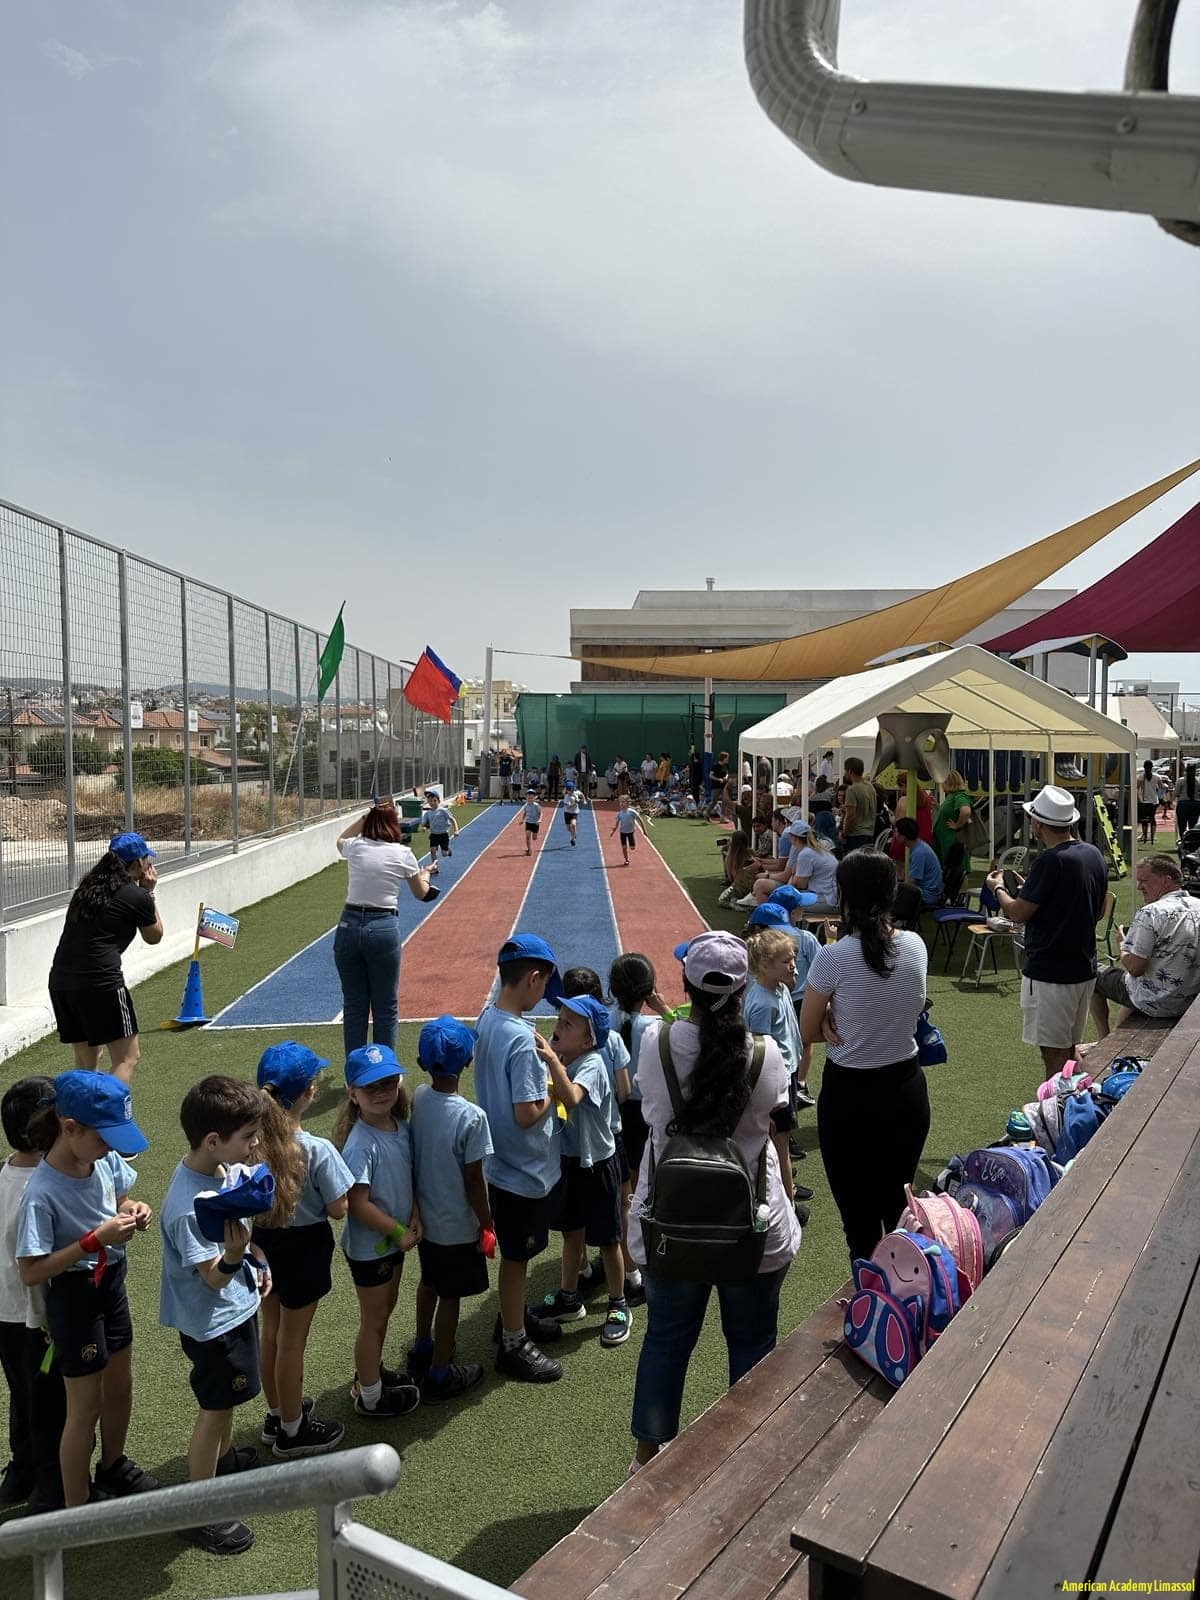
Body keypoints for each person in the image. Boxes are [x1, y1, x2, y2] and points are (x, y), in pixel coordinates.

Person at [629, 932, 801, 1470]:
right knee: (751, 1342)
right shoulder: (766, 1054)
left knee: (666, 1339)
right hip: (752, 1224)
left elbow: (649, 1107)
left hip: (669, 1221)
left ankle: (646, 1456)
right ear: (743, 990)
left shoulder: (655, 1043)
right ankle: (742, 1458)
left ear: (686, 987)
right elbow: (774, 1117)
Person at [16, 1071, 156, 1508]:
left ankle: (112, 1465)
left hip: (111, 1282)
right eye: (105, 1138)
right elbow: (31, 1271)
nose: (112, 1148)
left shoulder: (104, 1160)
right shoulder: (41, 1192)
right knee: (84, 1409)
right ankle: (77, 1507)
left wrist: (134, 1209)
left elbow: (118, 1199)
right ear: (70, 1127)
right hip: (75, 1297)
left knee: (120, 1385)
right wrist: (93, 1241)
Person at [159, 1075, 272, 1556]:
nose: (255, 1145)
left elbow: (238, 1235)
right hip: (213, 1325)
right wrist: (235, 1257)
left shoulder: (219, 1170)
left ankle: (222, 1465)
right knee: (216, 1408)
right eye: (248, 1137)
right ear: (212, 1140)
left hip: (231, 1312)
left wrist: (255, 1258)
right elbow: (211, 1277)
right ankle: (199, 1510)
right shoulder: (190, 1208)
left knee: (226, 1400)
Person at [799, 850, 930, 1263]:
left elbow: (806, 1030)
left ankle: (870, 1294)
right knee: (900, 1212)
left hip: (850, 1097)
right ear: (891, 893)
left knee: (859, 1225)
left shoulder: (833, 957)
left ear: (844, 896)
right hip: (906, 1091)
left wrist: (831, 1018)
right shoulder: (915, 945)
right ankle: (906, 1293)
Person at [474, 934, 568, 1382]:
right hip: (523, 1168)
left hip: (501, 1161)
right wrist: (553, 1084)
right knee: (517, 1257)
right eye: (544, 986)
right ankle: (513, 1343)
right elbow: (527, 1114)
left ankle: (513, 1317)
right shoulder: (523, 1041)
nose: (543, 996)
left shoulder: (488, 1018)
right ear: (533, 978)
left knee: (518, 1255)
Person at [251, 1044, 352, 1459]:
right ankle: (293, 1431)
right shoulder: (316, 1149)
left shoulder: (250, 1145)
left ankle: (278, 1414)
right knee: (292, 1342)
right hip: (305, 1248)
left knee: (272, 1334)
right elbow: (339, 1208)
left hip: (263, 1244)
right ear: (310, 1091)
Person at [987, 785, 1107, 1072]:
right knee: (1068, 1048)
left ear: (1039, 823)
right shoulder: (1092, 854)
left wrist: (998, 888)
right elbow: (1099, 910)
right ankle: (1076, 1097)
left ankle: (1060, 1101)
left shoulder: (1051, 860)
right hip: (1083, 966)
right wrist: (1033, 889)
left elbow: (1017, 913)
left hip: (1051, 972)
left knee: (1055, 1054)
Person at [539, 996, 633, 1349]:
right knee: (571, 1233)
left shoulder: (591, 1063)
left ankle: (618, 1303)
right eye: (559, 1019)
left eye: (568, 1024)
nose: (558, 1028)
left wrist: (551, 1060)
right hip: (570, 1161)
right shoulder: (568, 1058)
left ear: (588, 1039)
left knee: (608, 1239)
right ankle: (568, 1298)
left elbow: (572, 1097)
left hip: (597, 1164)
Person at [335, 1045, 423, 1419]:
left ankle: (370, 1375)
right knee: (373, 1321)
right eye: (370, 1086)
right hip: (371, 1248)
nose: (381, 1092)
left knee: (384, 1310)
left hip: (390, 1243)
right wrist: (399, 1230)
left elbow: (408, 1177)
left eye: (387, 1083)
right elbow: (357, 1204)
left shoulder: (401, 1127)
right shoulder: (360, 1144)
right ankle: (371, 1397)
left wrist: (414, 1213)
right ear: (353, 1094)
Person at [408, 1017, 491, 1403]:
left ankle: (422, 1345)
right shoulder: (472, 1117)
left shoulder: (420, 1097)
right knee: (451, 1296)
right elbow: (474, 1180)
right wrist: (487, 1223)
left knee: (429, 1282)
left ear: (422, 1063)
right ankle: (440, 1372)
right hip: (457, 1225)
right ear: (468, 1061)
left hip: (425, 1221)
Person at [47, 832, 164, 1083]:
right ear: (138, 863)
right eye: (147, 858)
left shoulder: (86, 890)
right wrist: (148, 893)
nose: (149, 863)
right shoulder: (136, 895)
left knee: (86, 1060)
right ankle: (112, 1109)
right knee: (127, 1058)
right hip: (100, 983)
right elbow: (154, 936)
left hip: (62, 981)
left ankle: (80, 1108)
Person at [0, 1076, 65, 1514]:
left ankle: (22, 1471)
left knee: (23, 1395)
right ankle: (51, 1488)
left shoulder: (5, 1173)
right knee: (49, 1402)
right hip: (37, 1320)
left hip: (6, 1317)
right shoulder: (43, 1187)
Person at [333, 801, 434, 1058]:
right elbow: (421, 893)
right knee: (385, 1006)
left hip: (348, 924)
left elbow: (340, 839)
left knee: (354, 1005)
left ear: (369, 822)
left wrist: (365, 818)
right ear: (393, 824)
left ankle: (355, 1071)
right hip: (382, 926)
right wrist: (426, 875)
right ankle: (383, 1070)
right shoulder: (402, 853)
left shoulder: (356, 846)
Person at [1088, 855, 1200, 1040]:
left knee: (1091, 972)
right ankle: (1114, 1036)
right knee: (1131, 984)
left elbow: (1135, 969)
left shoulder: (1151, 912)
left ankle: (1102, 1038)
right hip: (1190, 1002)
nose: (1139, 887)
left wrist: (1123, 945)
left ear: (1166, 880)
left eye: (1144, 881)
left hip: (1156, 1002)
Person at [742, 926, 812, 1216]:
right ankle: (787, 1204)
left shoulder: (779, 988)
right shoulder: (762, 1002)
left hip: (786, 1073)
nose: (793, 964)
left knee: (781, 1139)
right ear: (763, 965)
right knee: (779, 1142)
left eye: (793, 957)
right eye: (786, 960)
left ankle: (785, 1185)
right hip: (773, 1080)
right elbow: (759, 1051)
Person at [894, 817, 944, 908]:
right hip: (930, 892)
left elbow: (911, 883)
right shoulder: (919, 846)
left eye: (896, 832)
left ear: (903, 836)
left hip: (927, 896)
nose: (895, 835)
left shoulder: (919, 853)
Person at [840, 758, 877, 852]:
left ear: (850, 771)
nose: (845, 774)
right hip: (870, 833)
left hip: (856, 835)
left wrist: (844, 834)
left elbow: (851, 816)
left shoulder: (852, 790)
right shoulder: (870, 787)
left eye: (845, 771)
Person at [420, 792, 459, 876]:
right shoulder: (427, 813)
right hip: (434, 835)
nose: (432, 803)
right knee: (432, 850)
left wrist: (456, 830)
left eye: (434, 800)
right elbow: (425, 824)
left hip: (443, 835)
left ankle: (448, 851)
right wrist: (424, 828)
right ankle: (435, 868)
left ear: (438, 801)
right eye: (430, 801)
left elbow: (452, 819)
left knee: (444, 854)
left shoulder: (443, 811)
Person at [611, 800, 644, 864]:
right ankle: (626, 860)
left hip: (630, 832)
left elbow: (640, 819)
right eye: (621, 803)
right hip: (622, 832)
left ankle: (632, 845)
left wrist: (644, 831)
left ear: (626, 804)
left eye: (623, 803)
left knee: (632, 848)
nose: (621, 805)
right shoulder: (619, 813)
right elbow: (617, 824)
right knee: (624, 847)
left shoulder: (632, 812)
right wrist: (613, 831)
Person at [1175, 763, 1200, 839]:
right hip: (1196, 804)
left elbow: (1176, 793)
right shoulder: (1198, 781)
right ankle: (1191, 841)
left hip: (1183, 804)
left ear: (1186, 770)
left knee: (1182, 825)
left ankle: (1183, 840)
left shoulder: (1181, 780)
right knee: (1192, 826)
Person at [1136, 759, 1157, 843]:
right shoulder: (1156, 777)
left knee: (1144, 819)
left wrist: (1139, 799)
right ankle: (1153, 836)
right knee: (1152, 818)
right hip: (1154, 801)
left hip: (1144, 801)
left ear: (1144, 767)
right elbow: (1162, 787)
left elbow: (1137, 789)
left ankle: (1144, 835)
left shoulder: (1140, 777)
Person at [518, 788, 542, 856]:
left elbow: (540, 813)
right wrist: (522, 820)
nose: (530, 799)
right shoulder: (526, 805)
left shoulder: (537, 806)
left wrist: (539, 820)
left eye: (531, 798)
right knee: (527, 836)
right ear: (526, 798)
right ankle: (529, 850)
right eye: (528, 798)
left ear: (535, 798)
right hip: (528, 823)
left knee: (534, 838)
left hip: (535, 823)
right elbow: (525, 813)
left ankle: (535, 834)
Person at [561, 781, 583, 845]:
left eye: (572, 790)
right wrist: (574, 803)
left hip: (574, 813)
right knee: (568, 828)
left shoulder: (576, 793)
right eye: (570, 790)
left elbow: (581, 794)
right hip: (567, 813)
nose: (571, 791)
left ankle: (573, 839)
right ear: (567, 791)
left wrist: (583, 800)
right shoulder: (566, 797)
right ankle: (574, 833)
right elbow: (567, 807)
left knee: (573, 825)